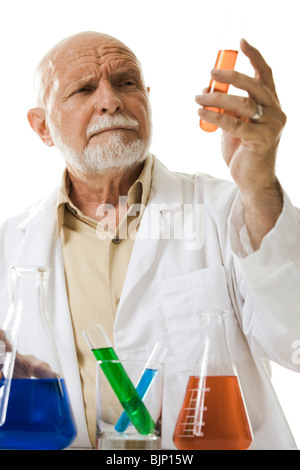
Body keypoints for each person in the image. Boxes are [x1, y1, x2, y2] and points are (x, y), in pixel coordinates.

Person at [0, 31, 299, 450]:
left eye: (126, 82)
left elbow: (296, 341)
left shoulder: (230, 208)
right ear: (43, 127)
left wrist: (261, 184)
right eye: (84, 89)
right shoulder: (10, 244)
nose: (111, 100)